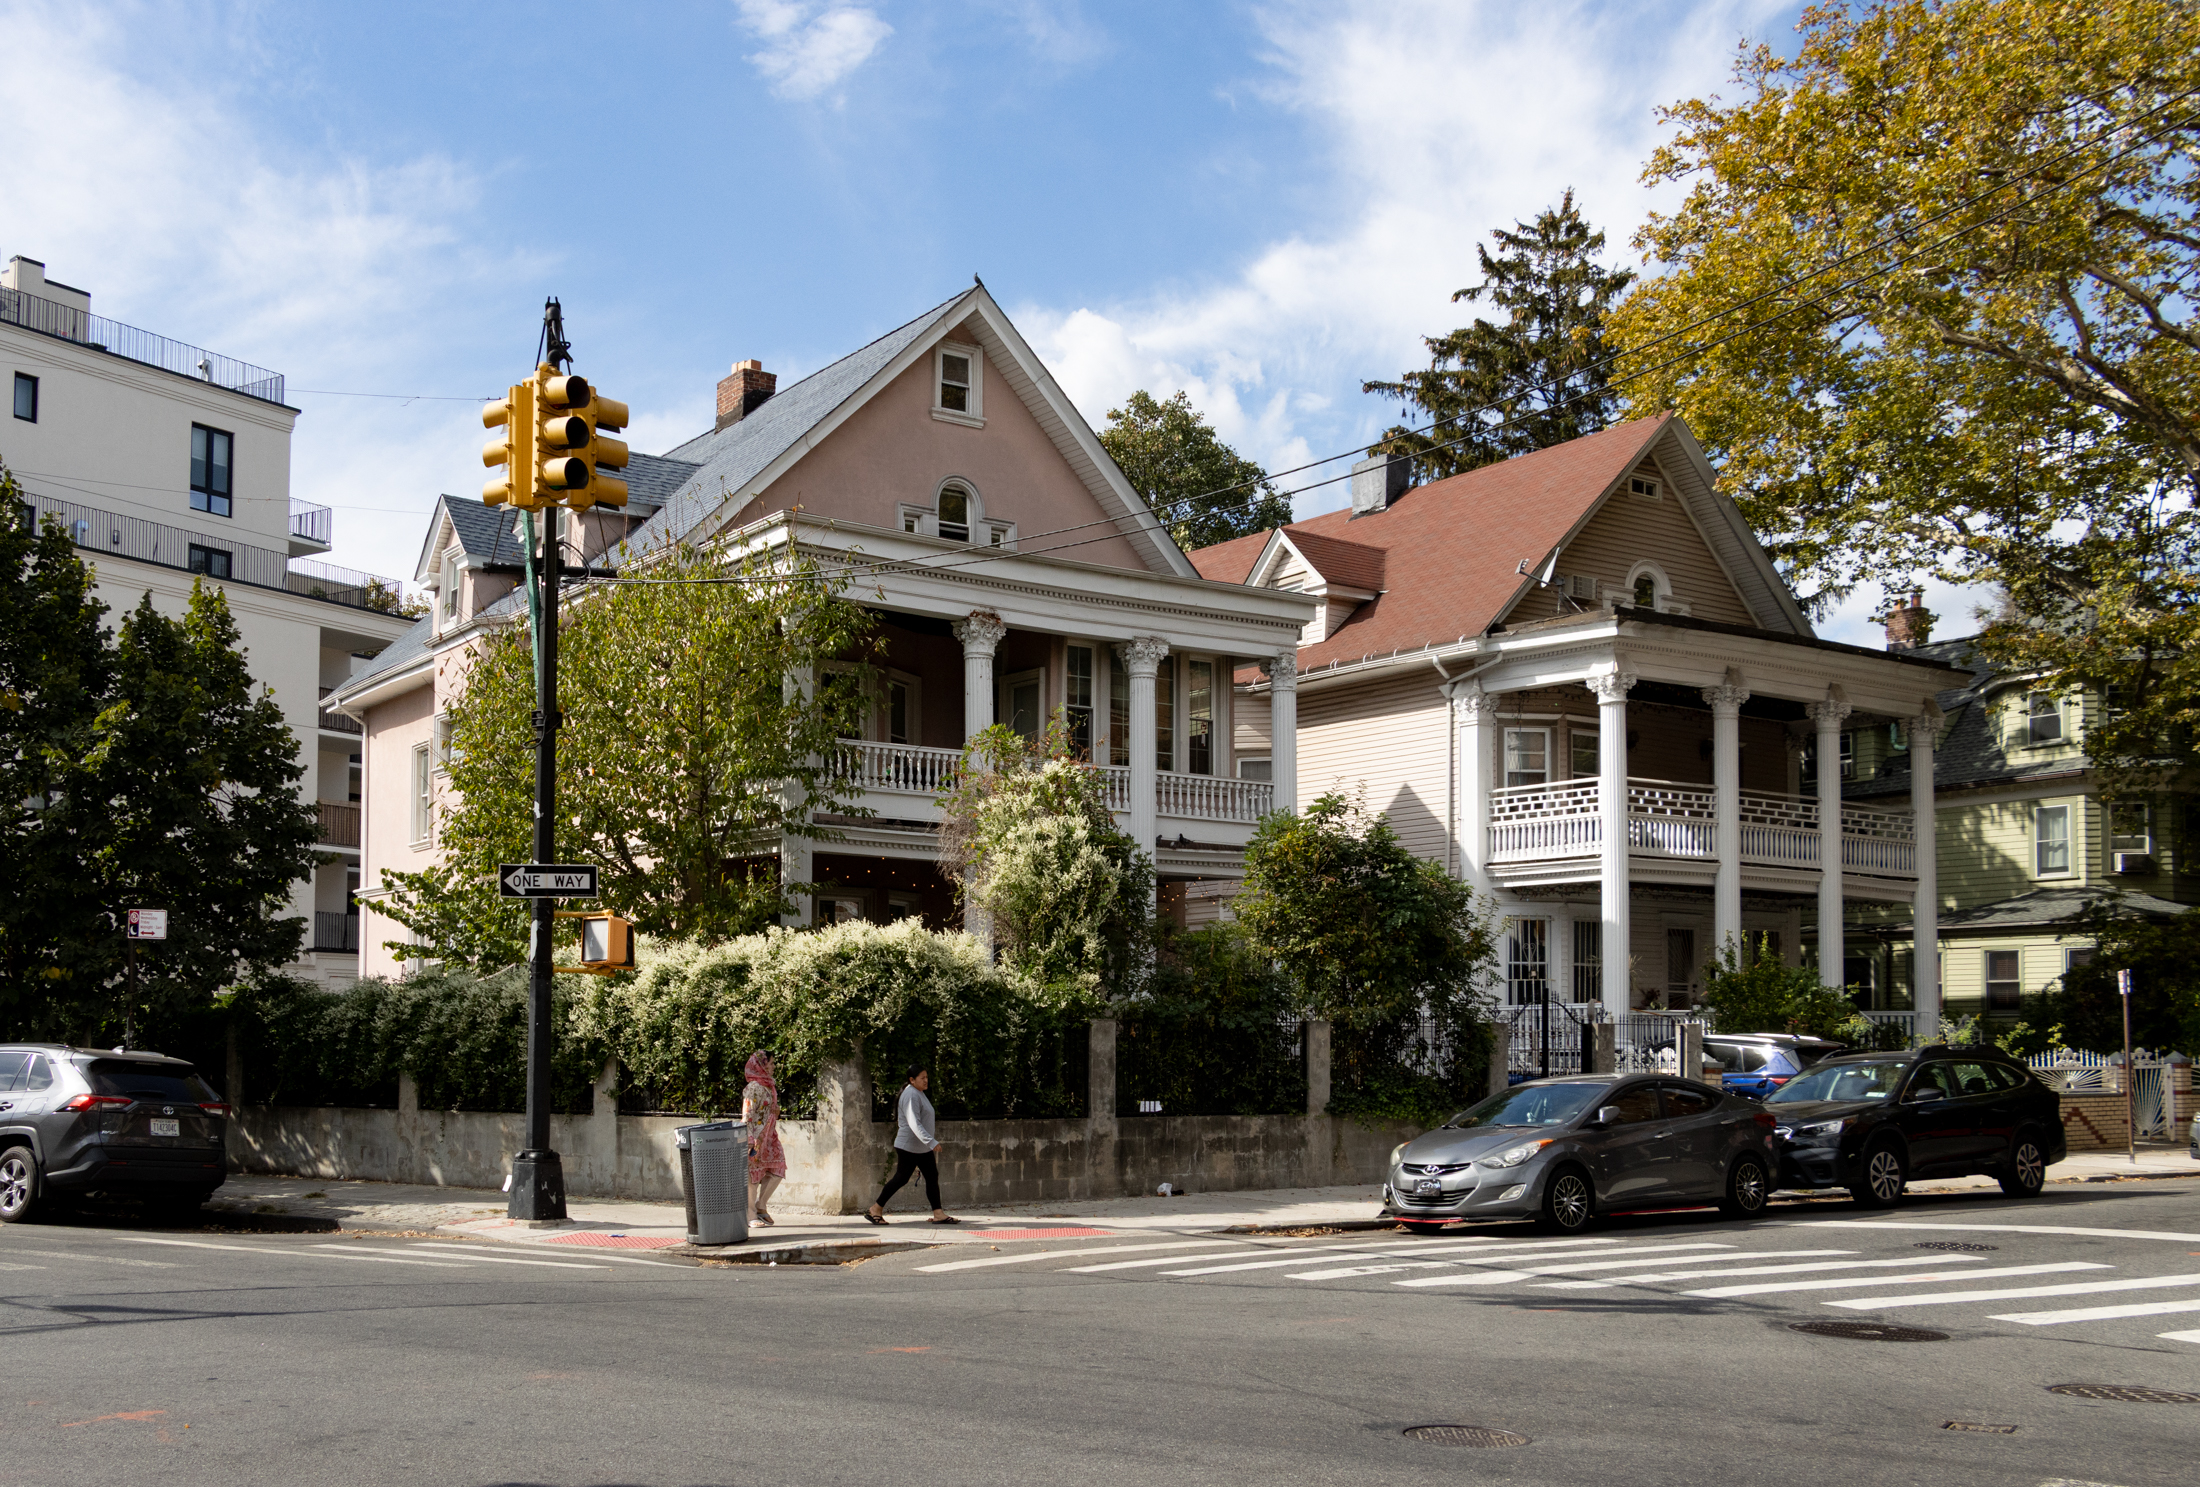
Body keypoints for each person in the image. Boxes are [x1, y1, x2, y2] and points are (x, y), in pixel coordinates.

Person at [866, 1064, 956, 1225]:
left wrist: (927, 1143)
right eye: (922, 1078)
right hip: (909, 1146)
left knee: (931, 1176)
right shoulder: (911, 1095)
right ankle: (876, 1208)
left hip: (920, 1147)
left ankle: (938, 1213)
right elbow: (914, 1123)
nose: (926, 1080)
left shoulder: (918, 1093)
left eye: (927, 1077)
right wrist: (931, 1141)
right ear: (912, 1080)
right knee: (901, 1178)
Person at [741, 1050, 786, 1226]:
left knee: (777, 1168)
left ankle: (761, 1206)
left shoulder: (769, 1085)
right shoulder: (753, 1088)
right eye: (772, 1063)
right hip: (756, 1137)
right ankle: (750, 1214)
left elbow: (767, 1110)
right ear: (762, 1064)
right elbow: (747, 1114)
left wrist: (776, 1112)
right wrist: (750, 1139)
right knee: (753, 1175)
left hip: (769, 1136)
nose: (774, 1066)